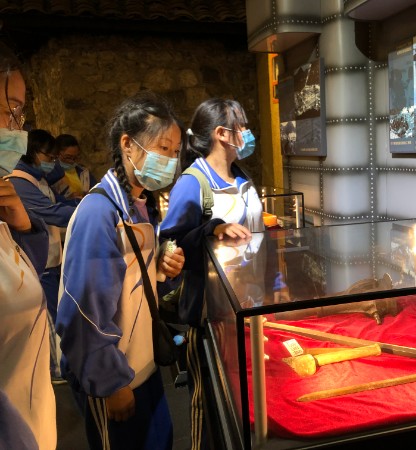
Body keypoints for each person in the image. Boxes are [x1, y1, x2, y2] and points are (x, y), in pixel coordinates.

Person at [56, 90, 185, 450]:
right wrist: (110, 383)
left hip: (141, 367)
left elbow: (128, 281)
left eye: (175, 151)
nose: (170, 160)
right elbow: (82, 312)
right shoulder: (99, 212)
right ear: (128, 144)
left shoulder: (137, 204)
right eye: (162, 147)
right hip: (115, 377)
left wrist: (161, 268)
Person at [160, 98, 264, 449]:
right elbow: (170, 246)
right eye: (242, 125)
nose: (247, 132)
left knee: (245, 405)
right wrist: (211, 229)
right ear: (222, 133)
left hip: (248, 307)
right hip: (212, 316)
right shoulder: (193, 184)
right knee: (211, 410)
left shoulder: (242, 176)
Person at [0, 42, 56, 450]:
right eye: (9, 110)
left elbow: (22, 279)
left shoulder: (6, 203)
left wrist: (22, 227)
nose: (16, 128)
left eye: (18, 113)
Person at [8, 128, 78, 381]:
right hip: (39, 263)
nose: (52, 162)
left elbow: (59, 203)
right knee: (50, 318)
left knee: (58, 313)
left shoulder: (37, 179)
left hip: (51, 258)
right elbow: (51, 213)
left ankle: (64, 364)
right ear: (33, 153)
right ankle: (57, 369)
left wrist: (81, 202)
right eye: (49, 157)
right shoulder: (18, 181)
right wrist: (89, 209)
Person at [52, 133, 97, 199]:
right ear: (57, 154)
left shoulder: (84, 172)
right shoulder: (51, 173)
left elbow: (96, 191)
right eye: (68, 157)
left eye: (75, 158)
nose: (72, 161)